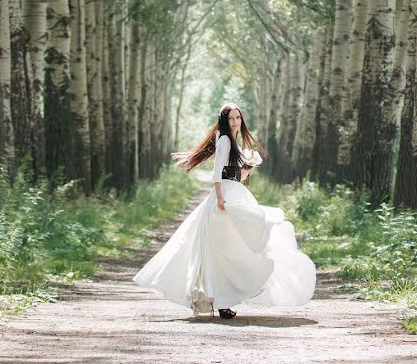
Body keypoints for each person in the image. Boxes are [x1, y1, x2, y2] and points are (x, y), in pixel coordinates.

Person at [133, 102, 316, 319]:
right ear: (224, 120)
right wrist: (220, 199)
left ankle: (223, 299)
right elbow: (217, 173)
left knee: (234, 246)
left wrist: (247, 168)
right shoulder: (225, 140)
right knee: (225, 250)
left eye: (237, 117)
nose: (234, 121)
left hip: (234, 193)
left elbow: (235, 175)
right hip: (224, 199)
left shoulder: (232, 140)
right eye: (230, 118)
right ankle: (222, 301)